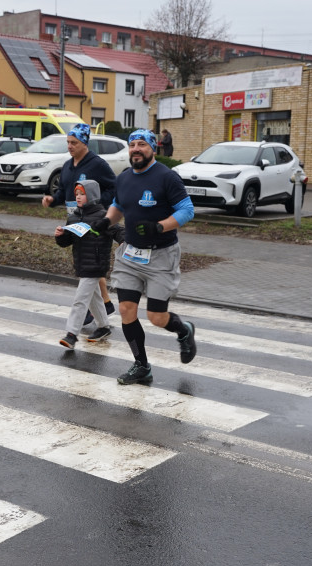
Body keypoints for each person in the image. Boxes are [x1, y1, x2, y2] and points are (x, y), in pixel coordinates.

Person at [90, 129, 197, 385]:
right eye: (132, 145)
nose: (136, 149)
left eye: (141, 144)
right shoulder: (125, 177)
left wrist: (160, 227)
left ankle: (184, 331)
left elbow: (187, 210)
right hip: (130, 254)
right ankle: (141, 366)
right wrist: (107, 221)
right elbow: (118, 204)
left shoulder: (166, 177)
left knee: (157, 317)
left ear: (153, 148)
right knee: (126, 309)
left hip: (161, 255)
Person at [42, 123, 118, 325]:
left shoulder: (97, 164)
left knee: (89, 264)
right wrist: (53, 200)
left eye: (74, 142)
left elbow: (114, 188)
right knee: (88, 264)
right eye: (68, 142)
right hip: (75, 219)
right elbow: (63, 191)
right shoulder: (67, 165)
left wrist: (97, 204)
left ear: (84, 143)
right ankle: (106, 303)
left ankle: (89, 311)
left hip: (94, 219)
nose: (69, 146)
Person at [54, 180, 123, 349]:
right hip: (82, 264)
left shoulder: (103, 216)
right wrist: (60, 235)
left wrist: (127, 244)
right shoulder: (74, 217)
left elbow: (119, 232)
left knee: (80, 300)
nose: (78, 197)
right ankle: (104, 327)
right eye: (76, 194)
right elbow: (66, 242)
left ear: (91, 196)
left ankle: (71, 334)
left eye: (82, 194)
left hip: (97, 265)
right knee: (94, 297)